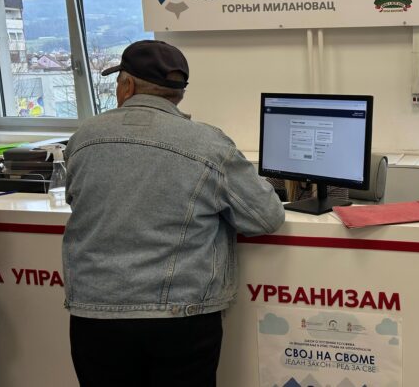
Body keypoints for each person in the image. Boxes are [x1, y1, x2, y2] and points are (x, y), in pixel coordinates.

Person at [62, 40, 285, 387]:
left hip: (95, 314)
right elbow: (266, 217)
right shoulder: (209, 145)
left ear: (127, 85)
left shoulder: (82, 139)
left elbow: (76, 199)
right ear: (178, 94)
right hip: (181, 318)